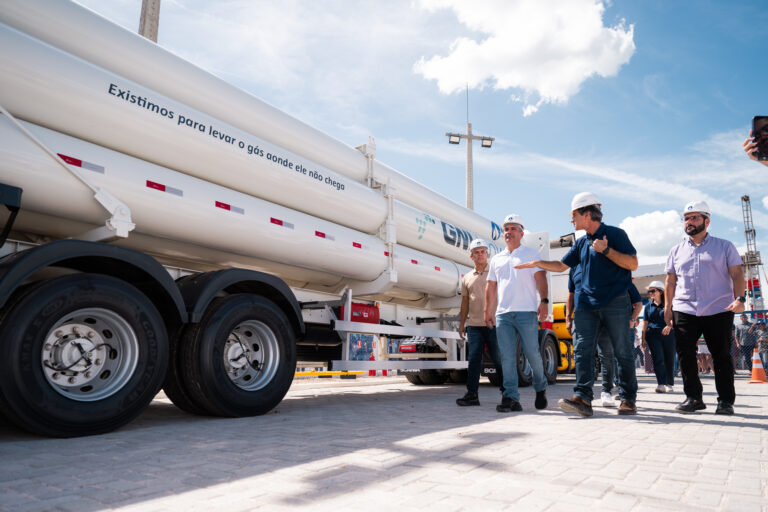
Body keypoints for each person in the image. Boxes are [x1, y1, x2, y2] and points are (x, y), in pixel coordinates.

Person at [515, 192, 639, 416]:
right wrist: (537, 263)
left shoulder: (615, 234)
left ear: (587, 213)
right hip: (586, 306)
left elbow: (633, 264)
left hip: (615, 303)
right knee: (582, 350)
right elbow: (562, 266)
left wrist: (606, 250)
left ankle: (628, 399)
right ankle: (582, 398)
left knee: (622, 352)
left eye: (573, 215)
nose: (571, 220)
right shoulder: (581, 243)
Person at [664, 200, 745, 415]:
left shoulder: (724, 246)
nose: (689, 222)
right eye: (686, 219)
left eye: (694, 218)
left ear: (706, 221)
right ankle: (693, 398)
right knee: (685, 354)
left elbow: (737, 274)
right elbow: (670, 281)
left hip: (718, 308)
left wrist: (741, 299)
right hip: (685, 308)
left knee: (721, 355)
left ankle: (726, 401)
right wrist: (667, 307)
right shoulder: (676, 250)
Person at [484, 214, 548, 413]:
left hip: (526, 312)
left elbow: (541, 279)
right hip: (504, 314)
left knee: (532, 354)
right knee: (507, 357)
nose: (508, 232)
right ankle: (511, 398)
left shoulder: (531, 254)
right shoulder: (497, 259)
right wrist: (488, 310)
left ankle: (540, 387)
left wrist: (544, 301)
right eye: (506, 229)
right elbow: (491, 286)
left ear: (521, 232)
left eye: (513, 228)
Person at [456, 238, 504, 406]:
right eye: (476, 253)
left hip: (494, 324)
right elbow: (465, 303)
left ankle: (507, 394)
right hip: (474, 326)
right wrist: (462, 324)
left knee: (498, 359)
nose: (480, 255)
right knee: (474, 360)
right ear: (471, 257)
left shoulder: (495, 273)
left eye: (482, 252)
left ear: (487, 254)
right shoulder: (467, 277)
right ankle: (472, 395)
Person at [641, 280, 676, 393]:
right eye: (649, 291)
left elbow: (676, 319)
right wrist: (643, 338)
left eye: (653, 291)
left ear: (660, 292)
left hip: (669, 334)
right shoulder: (647, 306)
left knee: (669, 358)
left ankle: (669, 383)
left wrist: (669, 326)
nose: (650, 293)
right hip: (652, 334)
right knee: (658, 358)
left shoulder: (669, 304)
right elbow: (645, 323)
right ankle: (661, 383)